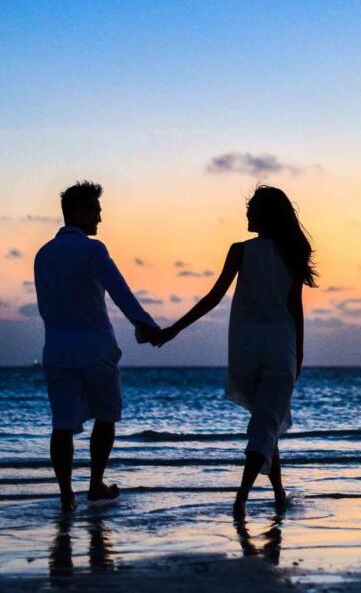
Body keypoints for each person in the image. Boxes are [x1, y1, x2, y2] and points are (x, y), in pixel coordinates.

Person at [158, 185, 316, 518]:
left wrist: (174, 329)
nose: (246, 214)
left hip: (245, 351)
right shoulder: (291, 252)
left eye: (251, 209)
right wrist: (299, 355)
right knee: (265, 424)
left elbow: (213, 298)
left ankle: (278, 495)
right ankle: (241, 500)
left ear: (264, 215)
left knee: (266, 422)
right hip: (280, 349)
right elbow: (295, 309)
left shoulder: (240, 250)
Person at [34, 181, 160, 512]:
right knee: (106, 417)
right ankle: (94, 484)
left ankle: (66, 495)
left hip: (57, 349)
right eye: (95, 210)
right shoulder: (93, 250)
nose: (100, 219)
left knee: (62, 425)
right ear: (77, 212)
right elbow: (119, 289)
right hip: (95, 347)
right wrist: (144, 324)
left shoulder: (43, 254)